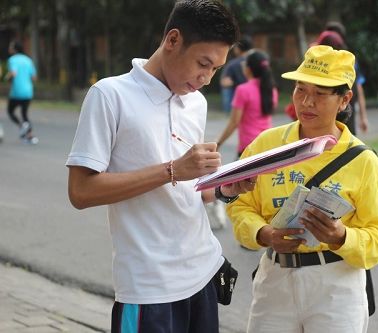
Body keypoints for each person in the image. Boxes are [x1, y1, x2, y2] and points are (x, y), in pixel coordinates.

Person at [65, 1, 255, 332]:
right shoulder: (110, 96)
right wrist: (171, 170)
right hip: (148, 287)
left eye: (215, 69)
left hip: (203, 272)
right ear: (172, 40)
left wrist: (225, 187)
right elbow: (80, 192)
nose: (206, 78)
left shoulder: (195, 102)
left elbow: (190, 191)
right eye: (203, 63)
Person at [226, 45, 378, 333]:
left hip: (336, 284)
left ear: (345, 100)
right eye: (301, 90)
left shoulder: (363, 161)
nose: (307, 102)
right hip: (275, 279)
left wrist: (343, 237)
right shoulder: (267, 145)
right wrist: (263, 233)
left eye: (320, 94)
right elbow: (240, 205)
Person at [216, 50, 278, 157]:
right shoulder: (272, 90)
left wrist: (218, 143)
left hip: (248, 147)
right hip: (267, 144)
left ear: (248, 69)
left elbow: (234, 122)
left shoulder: (243, 90)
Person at [5, 40, 38, 144]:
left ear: (14, 49)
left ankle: (21, 127)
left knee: (10, 111)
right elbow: (34, 77)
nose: (9, 48)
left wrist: (6, 78)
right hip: (28, 92)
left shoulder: (12, 60)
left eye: (10, 47)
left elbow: (13, 73)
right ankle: (29, 135)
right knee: (24, 114)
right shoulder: (28, 60)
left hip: (16, 92)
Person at [219, 35, 253, 113]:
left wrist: (235, 83)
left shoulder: (233, 64)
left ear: (238, 48)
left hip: (238, 100)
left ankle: (228, 110)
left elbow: (225, 82)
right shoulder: (257, 61)